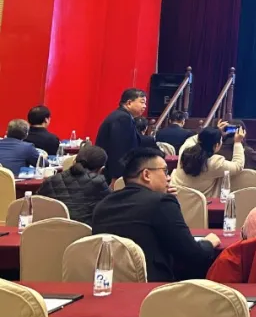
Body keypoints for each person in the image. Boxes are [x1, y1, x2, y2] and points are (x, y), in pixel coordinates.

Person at [92, 147, 220, 281]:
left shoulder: (103, 205)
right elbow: (192, 253)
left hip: (110, 284)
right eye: (165, 171)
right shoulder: (162, 203)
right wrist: (209, 243)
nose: (169, 178)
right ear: (146, 175)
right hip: (153, 287)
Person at [38, 145, 110, 225]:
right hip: (84, 231)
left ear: (74, 161)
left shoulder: (50, 180)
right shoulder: (99, 182)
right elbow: (109, 210)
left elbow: (36, 204)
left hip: (49, 229)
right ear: (101, 169)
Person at [171, 126, 245, 199]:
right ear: (217, 145)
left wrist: (213, 132)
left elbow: (194, 139)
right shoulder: (214, 163)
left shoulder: (185, 149)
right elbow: (238, 166)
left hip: (175, 195)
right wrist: (237, 142)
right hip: (197, 202)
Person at [96, 88, 147, 182]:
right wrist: (116, 177)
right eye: (142, 102)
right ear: (129, 103)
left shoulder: (122, 116)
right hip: (112, 175)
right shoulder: (122, 118)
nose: (145, 106)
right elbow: (118, 149)